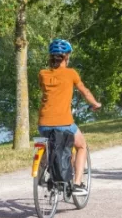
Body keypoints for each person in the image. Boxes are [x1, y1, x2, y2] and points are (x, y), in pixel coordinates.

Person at [38, 39, 101, 196]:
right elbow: (85, 92)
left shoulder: (42, 74)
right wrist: (95, 104)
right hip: (64, 122)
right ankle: (78, 184)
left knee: (48, 146)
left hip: (43, 123)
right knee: (81, 146)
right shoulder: (71, 73)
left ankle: (40, 175)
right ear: (66, 57)